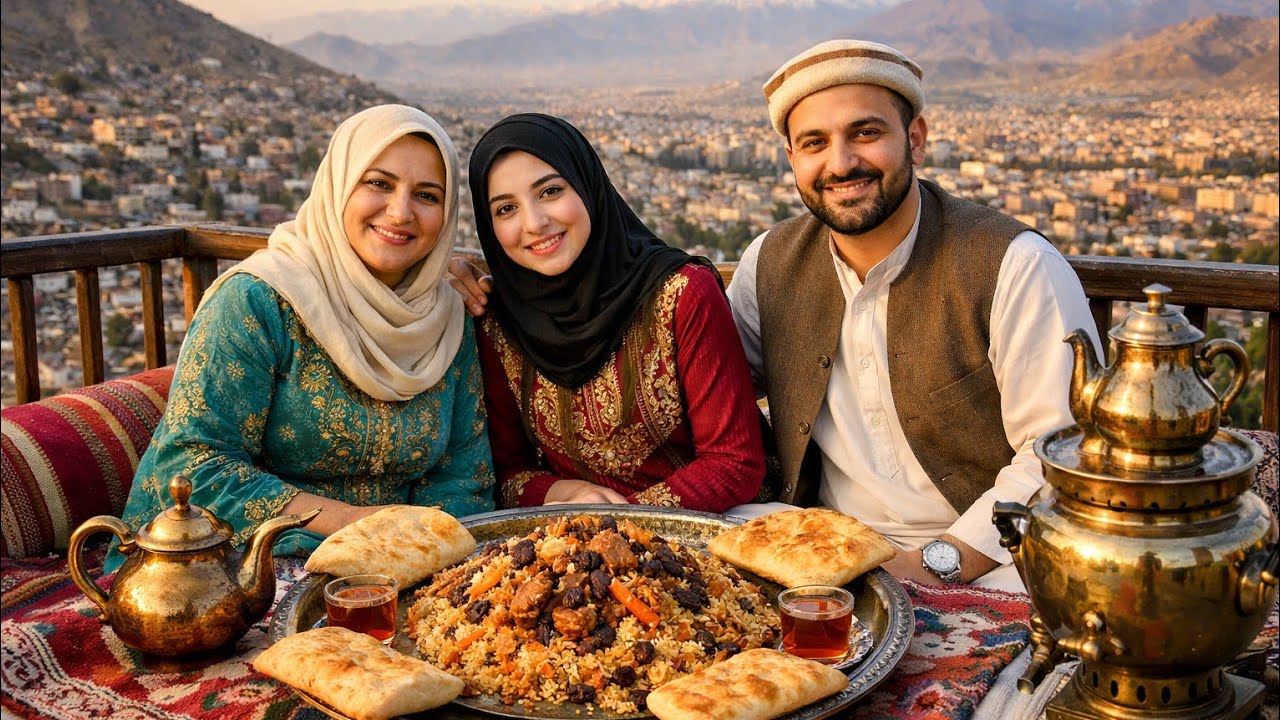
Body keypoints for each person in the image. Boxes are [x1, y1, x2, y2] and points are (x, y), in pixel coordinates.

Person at [726, 40, 1099, 590]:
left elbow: (1062, 451)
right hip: (828, 540)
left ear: (916, 139)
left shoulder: (1014, 264)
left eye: (865, 133)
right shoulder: (770, 263)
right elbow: (709, 389)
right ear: (792, 160)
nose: (841, 162)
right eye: (815, 143)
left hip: (989, 556)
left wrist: (934, 561)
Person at [106, 104, 494, 573]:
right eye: (379, 183)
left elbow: (464, 475)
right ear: (337, 186)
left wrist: (421, 553)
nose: (401, 211)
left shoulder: (446, 317)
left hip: (400, 565)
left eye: (428, 195)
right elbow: (191, 469)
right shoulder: (259, 301)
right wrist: (361, 528)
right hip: (235, 569)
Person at [464, 113, 765, 511]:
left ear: (589, 187)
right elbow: (507, 471)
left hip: (709, 529)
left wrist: (619, 525)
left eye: (551, 191)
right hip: (573, 545)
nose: (534, 223)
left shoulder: (681, 295)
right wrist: (564, 494)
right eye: (506, 209)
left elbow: (733, 463)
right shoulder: (499, 322)